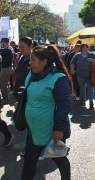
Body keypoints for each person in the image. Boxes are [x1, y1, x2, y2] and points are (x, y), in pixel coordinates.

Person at [20, 45, 73, 180]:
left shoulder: (58, 78)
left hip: (52, 130)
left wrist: (59, 128)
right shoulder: (31, 75)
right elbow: (28, 94)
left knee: (59, 159)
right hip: (33, 129)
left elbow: (64, 105)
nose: (29, 62)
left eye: (33, 59)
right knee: (29, 163)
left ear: (44, 62)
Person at [70, 43, 95, 108]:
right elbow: (72, 63)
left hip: (90, 74)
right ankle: (83, 99)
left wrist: (92, 60)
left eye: (87, 47)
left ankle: (91, 100)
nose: (85, 49)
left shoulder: (91, 54)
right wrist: (72, 69)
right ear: (81, 48)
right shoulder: (77, 55)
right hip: (80, 74)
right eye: (84, 47)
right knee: (82, 87)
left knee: (90, 87)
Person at [0, 37, 14, 105]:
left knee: (3, 85)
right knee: (7, 84)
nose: (1, 44)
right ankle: (7, 98)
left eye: (2, 42)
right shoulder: (10, 48)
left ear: (4, 42)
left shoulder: (6, 50)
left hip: (5, 69)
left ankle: (6, 99)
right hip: (9, 68)